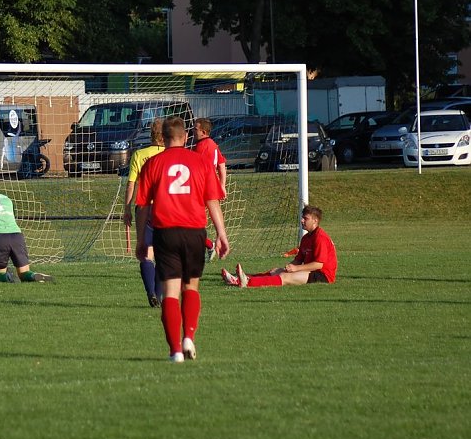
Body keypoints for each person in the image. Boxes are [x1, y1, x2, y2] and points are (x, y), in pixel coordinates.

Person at [135, 117, 229, 363]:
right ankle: (188, 336)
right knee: (192, 287)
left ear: (163, 138)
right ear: (185, 137)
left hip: (165, 233)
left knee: (171, 293)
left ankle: (175, 350)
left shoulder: (152, 163)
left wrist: (140, 240)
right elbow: (212, 201)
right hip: (194, 232)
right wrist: (221, 234)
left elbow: (142, 206)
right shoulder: (199, 162)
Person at [222, 205, 337, 288]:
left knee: (285, 277)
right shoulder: (306, 238)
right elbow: (299, 259)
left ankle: (247, 283)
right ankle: (239, 279)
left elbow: (318, 264)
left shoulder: (320, 237)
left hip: (322, 276)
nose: (302, 220)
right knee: (275, 271)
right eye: (302, 217)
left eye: (305, 218)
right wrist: (291, 266)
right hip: (311, 272)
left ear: (315, 221)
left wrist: (296, 269)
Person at [121, 117, 165, 308]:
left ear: (151, 134)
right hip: (167, 209)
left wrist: (127, 209)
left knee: (147, 254)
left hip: (145, 209)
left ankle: (151, 293)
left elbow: (131, 184)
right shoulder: (170, 154)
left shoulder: (139, 155)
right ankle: (159, 295)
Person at [192, 117, 228, 261]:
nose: (193, 131)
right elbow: (221, 164)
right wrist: (222, 185)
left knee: (192, 223)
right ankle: (209, 244)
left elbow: (195, 167)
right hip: (210, 186)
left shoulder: (203, 146)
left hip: (202, 187)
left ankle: (208, 245)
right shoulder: (212, 144)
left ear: (203, 131)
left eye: (195, 129)